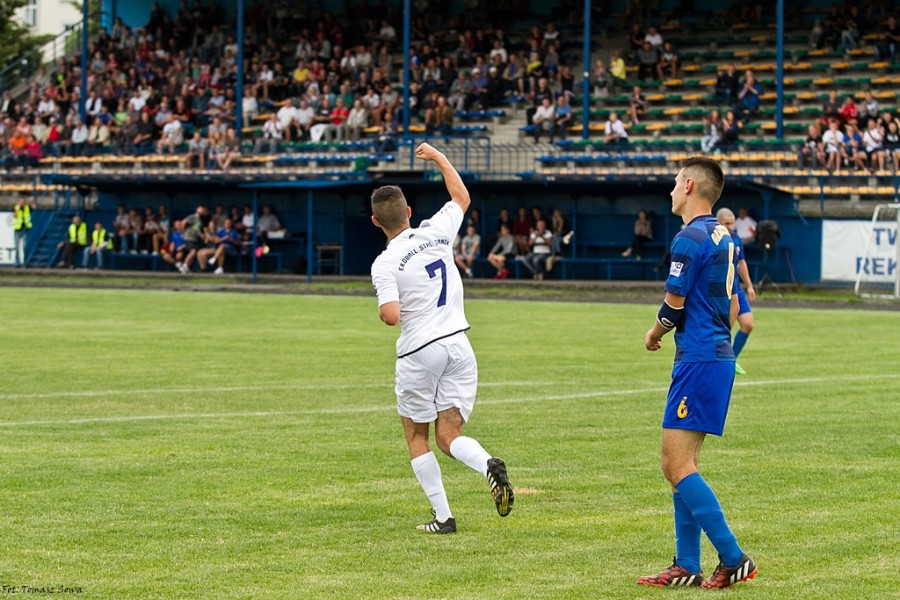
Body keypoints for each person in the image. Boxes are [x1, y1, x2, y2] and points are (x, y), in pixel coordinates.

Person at [369, 142, 514, 535]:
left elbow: (390, 315)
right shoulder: (436, 230)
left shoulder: (384, 262)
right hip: (459, 345)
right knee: (449, 436)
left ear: (375, 222)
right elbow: (461, 197)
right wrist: (438, 158)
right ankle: (486, 463)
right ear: (409, 212)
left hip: (420, 350)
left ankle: (444, 518)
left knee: (417, 436)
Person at [638, 157, 757, 589]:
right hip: (714, 356)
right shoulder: (722, 234)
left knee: (674, 463)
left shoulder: (689, 236)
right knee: (683, 464)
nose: (671, 189)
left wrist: (654, 333)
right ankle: (687, 564)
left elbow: (674, 305)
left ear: (689, 185)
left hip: (700, 358)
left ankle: (733, 557)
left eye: (675, 182)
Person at [717, 208, 756, 375]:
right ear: (718, 223)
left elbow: (741, 263)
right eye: (727, 224)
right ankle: (720, 361)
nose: (731, 227)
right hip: (720, 291)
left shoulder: (736, 239)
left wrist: (749, 285)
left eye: (732, 223)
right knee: (722, 326)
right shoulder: (713, 240)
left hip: (736, 289)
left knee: (748, 324)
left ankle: (731, 359)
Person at [12, 197, 35, 267]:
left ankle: (25, 262)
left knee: (24, 246)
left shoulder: (27, 208)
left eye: (23, 202)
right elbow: (14, 215)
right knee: (17, 247)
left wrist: (32, 201)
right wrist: (18, 208)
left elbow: (34, 207)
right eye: (20, 201)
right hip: (17, 229)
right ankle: (17, 262)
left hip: (25, 229)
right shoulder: (16, 207)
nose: (22, 203)